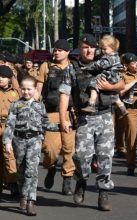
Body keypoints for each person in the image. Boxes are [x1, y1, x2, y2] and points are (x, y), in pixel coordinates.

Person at [58, 33, 125, 211]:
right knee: (81, 157)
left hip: (105, 115)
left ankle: (103, 192)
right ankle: (81, 180)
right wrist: (63, 118)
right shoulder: (72, 68)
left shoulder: (106, 61)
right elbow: (64, 94)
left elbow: (121, 84)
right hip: (84, 118)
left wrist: (110, 87)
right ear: (80, 48)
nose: (90, 50)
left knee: (105, 156)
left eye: (92, 47)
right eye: (86, 47)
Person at [3, 76, 60, 216]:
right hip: (19, 140)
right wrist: (7, 142)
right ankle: (23, 194)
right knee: (21, 171)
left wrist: (59, 127)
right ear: (20, 89)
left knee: (32, 171)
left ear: (35, 90)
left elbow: (45, 123)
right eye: (23, 89)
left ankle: (30, 200)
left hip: (35, 140)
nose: (26, 92)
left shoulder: (40, 105)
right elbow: (10, 125)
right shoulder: (15, 105)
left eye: (29, 89)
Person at [35, 39, 76, 196]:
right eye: (55, 49)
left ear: (67, 52)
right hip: (51, 112)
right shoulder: (46, 66)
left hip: (69, 113)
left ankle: (67, 179)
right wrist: (34, 106)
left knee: (68, 148)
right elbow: (39, 90)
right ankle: (51, 168)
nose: (56, 52)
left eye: (60, 50)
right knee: (50, 149)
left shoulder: (73, 67)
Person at [79, 35, 127, 118]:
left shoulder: (108, 58)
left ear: (112, 48)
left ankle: (91, 103)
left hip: (109, 75)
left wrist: (86, 67)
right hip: (115, 77)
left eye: (104, 49)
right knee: (114, 93)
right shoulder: (116, 56)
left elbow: (99, 65)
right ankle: (122, 108)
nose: (102, 51)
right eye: (101, 48)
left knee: (93, 83)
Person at [0, 65, 19, 197]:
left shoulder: (16, 93)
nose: (0, 79)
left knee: (9, 156)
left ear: (10, 79)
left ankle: (13, 183)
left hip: (9, 126)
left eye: (4, 77)